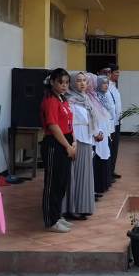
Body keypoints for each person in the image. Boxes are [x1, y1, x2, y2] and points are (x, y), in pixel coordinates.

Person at [41, 68, 75, 233]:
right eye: (60, 82)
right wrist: (67, 146)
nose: (64, 85)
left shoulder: (63, 100)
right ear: (53, 82)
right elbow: (53, 126)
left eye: (67, 82)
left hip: (66, 141)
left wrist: (73, 142)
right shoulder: (50, 101)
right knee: (52, 184)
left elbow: (69, 122)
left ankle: (57, 215)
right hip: (55, 144)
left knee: (62, 182)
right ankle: (50, 220)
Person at [63, 72, 99, 220]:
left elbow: (90, 119)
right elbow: (70, 122)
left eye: (84, 80)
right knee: (76, 175)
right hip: (77, 140)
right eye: (78, 81)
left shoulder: (86, 99)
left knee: (85, 175)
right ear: (72, 83)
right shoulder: (70, 100)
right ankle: (73, 208)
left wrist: (96, 132)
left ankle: (83, 206)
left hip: (87, 139)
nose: (82, 83)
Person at [91, 74, 114, 196]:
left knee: (106, 155)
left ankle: (104, 184)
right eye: (103, 83)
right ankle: (98, 186)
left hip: (105, 130)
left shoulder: (103, 96)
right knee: (99, 157)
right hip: (97, 132)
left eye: (107, 83)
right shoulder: (95, 98)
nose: (105, 85)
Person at [100, 64, 123, 182]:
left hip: (116, 121)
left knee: (114, 149)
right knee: (109, 149)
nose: (118, 74)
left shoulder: (113, 86)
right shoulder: (105, 88)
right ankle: (108, 173)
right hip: (109, 124)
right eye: (116, 72)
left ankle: (112, 170)